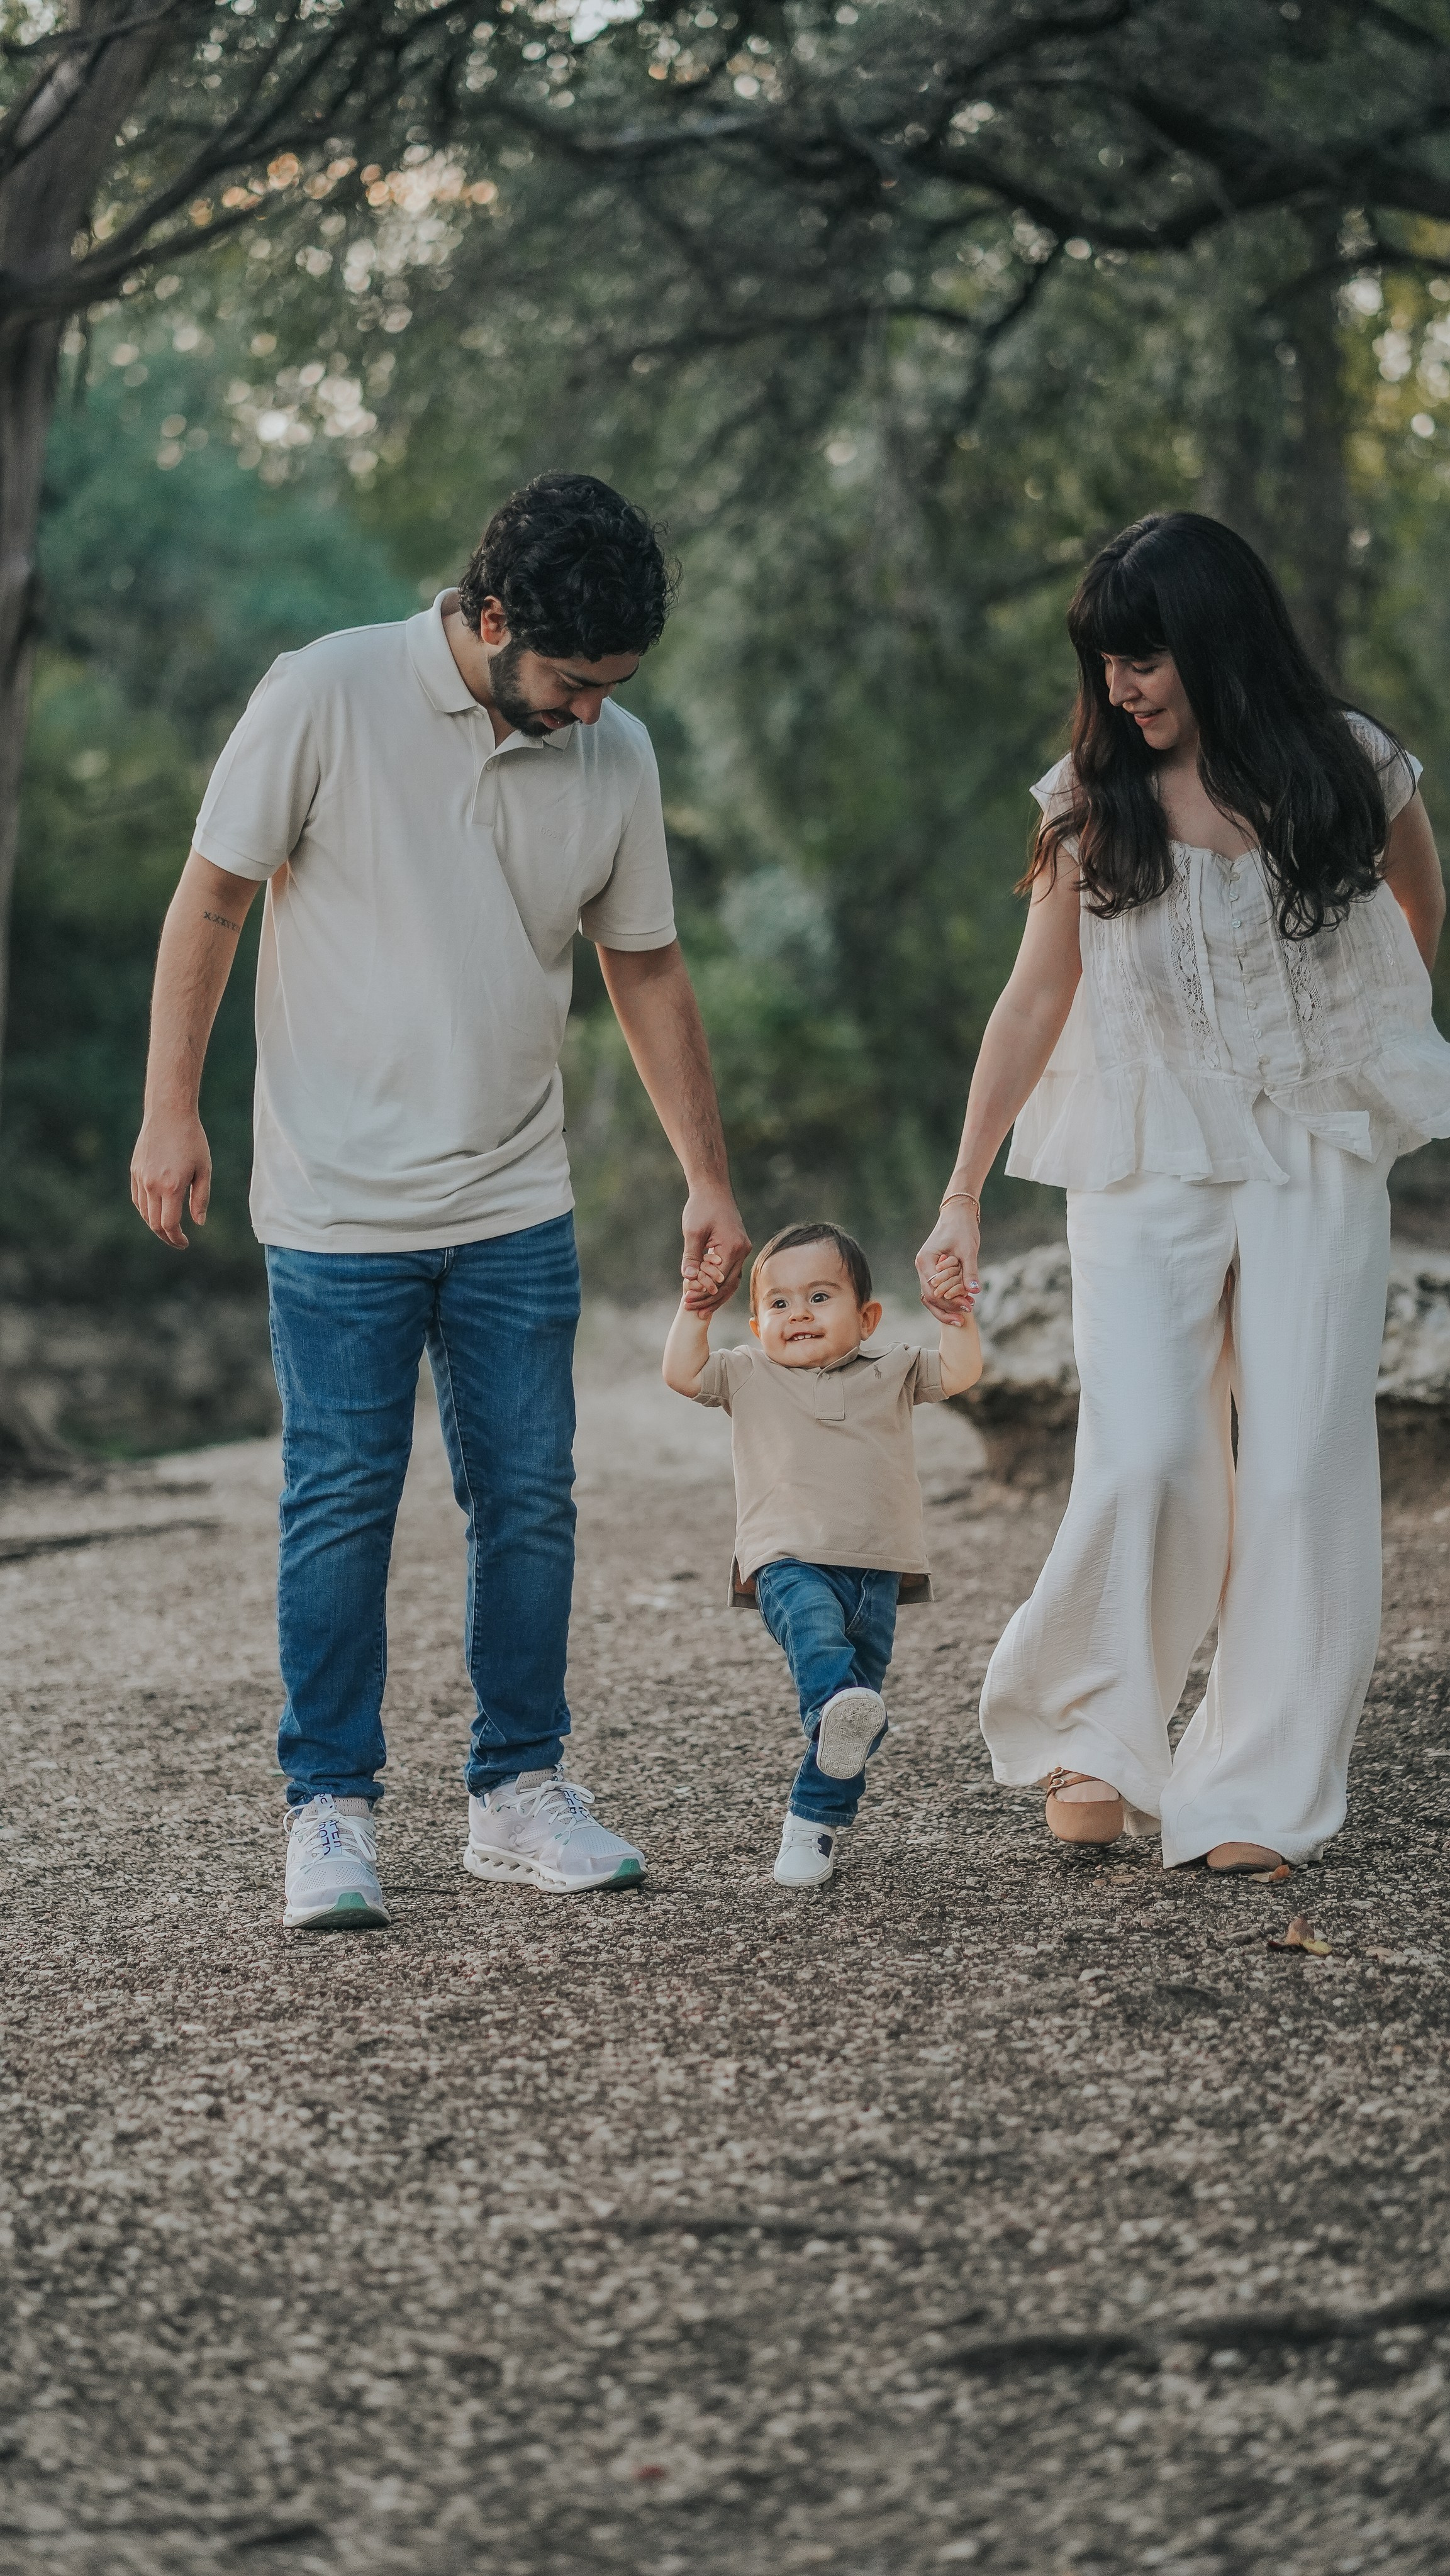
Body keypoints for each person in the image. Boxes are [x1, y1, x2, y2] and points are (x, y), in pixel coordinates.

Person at [130, 472, 750, 1929]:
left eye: (615, 685)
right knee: (340, 1500)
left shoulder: (615, 755)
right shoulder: (327, 693)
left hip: (513, 1195)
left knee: (527, 1499)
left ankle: (518, 1792)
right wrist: (172, 1109)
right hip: (336, 1205)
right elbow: (213, 895)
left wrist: (707, 1176)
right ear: (488, 618)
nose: (593, 710)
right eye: (571, 680)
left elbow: (644, 965)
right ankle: (329, 1808)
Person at [916, 510, 1450, 1876]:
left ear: (1217, 639)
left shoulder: (1354, 765)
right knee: (1148, 1445)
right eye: (1103, 664)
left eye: (1142, 659)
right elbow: (1036, 996)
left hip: (1312, 1148)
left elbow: (1415, 916)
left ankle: (1260, 1781)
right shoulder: (1086, 801)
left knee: (1300, 1461)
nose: (1120, 689)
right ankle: (1103, 1727)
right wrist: (963, 1191)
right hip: (1144, 1149)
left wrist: (1337, 1043)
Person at [663, 1222, 981, 1887]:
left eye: (818, 1296)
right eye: (778, 1303)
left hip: (879, 1571)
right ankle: (833, 1706)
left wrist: (954, 1317)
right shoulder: (747, 1374)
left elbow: (959, 1371)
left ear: (866, 1316)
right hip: (786, 1558)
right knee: (822, 1655)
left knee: (850, 1723)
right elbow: (682, 1372)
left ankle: (812, 1826)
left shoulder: (892, 1368)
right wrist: (696, 1310)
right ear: (755, 1323)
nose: (798, 1313)